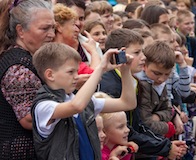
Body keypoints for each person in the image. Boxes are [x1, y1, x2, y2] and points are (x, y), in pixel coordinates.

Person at [31, 42, 137, 159]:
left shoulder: (84, 101)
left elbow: (127, 103)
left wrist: (125, 70)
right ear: (50, 75)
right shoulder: (44, 105)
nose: (76, 76)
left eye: (77, 71)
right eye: (71, 72)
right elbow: (76, 106)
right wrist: (100, 69)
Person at [100, 28, 187, 160]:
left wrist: (166, 145)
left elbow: (137, 125)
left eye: (142, 51)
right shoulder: (111, 86)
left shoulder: (133, 81)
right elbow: (124, 129)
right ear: (118, 55)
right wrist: (165, 148)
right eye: (137, 52)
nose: (143, 57)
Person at [0, 0, 55, 159]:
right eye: (44, 28)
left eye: (53, 28)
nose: (51, 34)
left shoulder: (30, 59)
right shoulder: (18, 67)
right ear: (21, 31)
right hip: (22, 152)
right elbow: (30, 119)